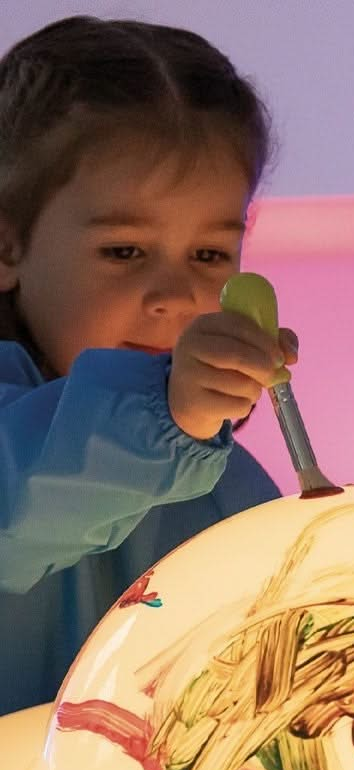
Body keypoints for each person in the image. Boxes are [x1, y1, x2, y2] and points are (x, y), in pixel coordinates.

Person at [0, 16, 297, 716]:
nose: (178, 297)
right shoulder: (171, 428)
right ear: (8, 246)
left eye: (209, 256)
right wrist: (166, 416)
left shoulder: (210, 465)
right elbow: (19, 511)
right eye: (125, 252)